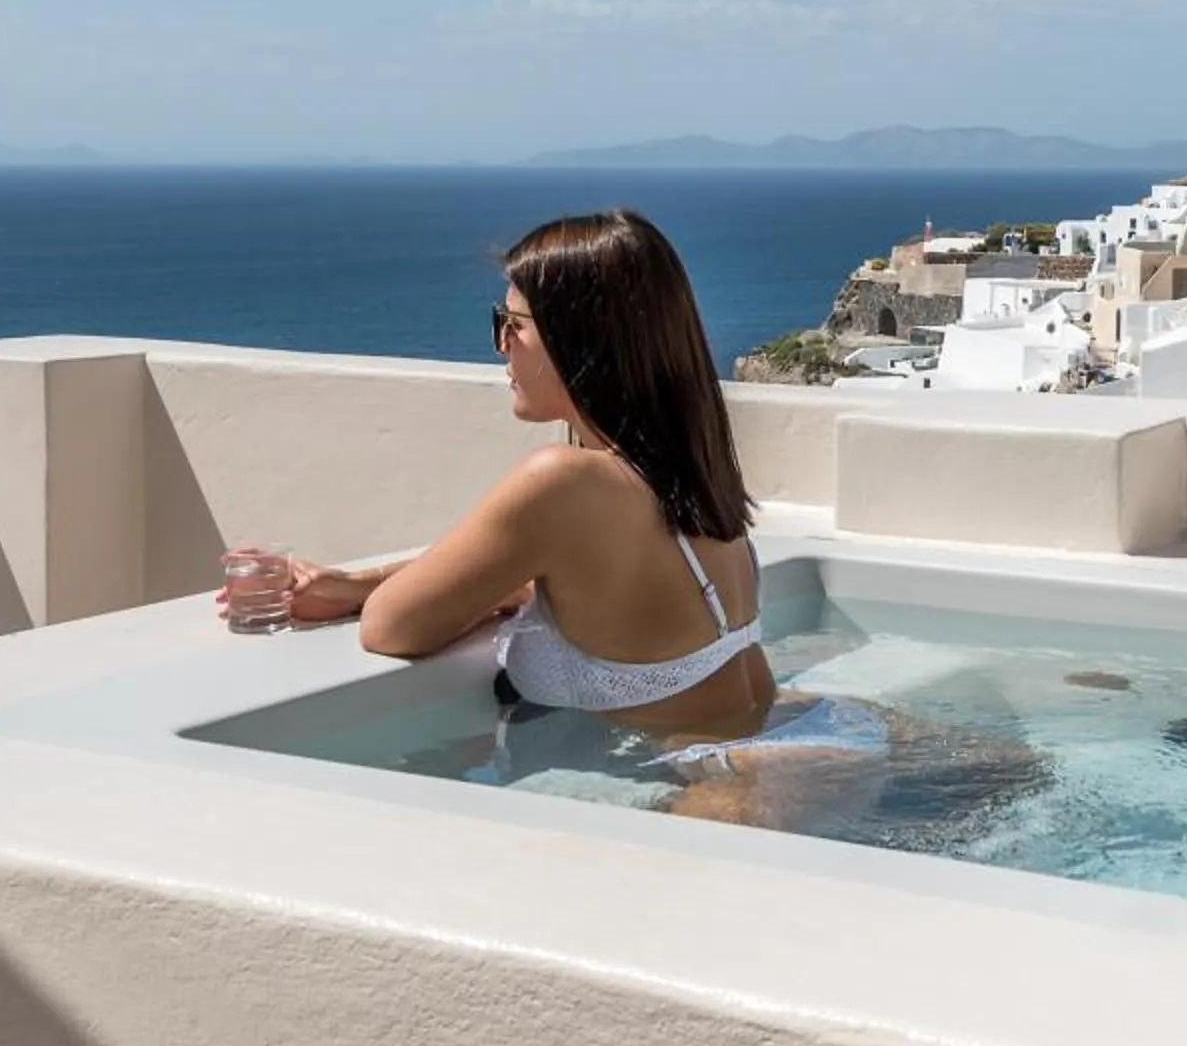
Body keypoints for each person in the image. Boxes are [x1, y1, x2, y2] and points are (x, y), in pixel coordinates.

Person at [249, 208, 892, 826]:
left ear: (578, 338)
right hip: (808, 751)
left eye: (512, 323)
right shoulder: (684, 469)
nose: (501, 345)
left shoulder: (562, 481)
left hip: (729, 799)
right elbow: (564, 584)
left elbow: (392, 629)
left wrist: (373, 597)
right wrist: (358, 584)